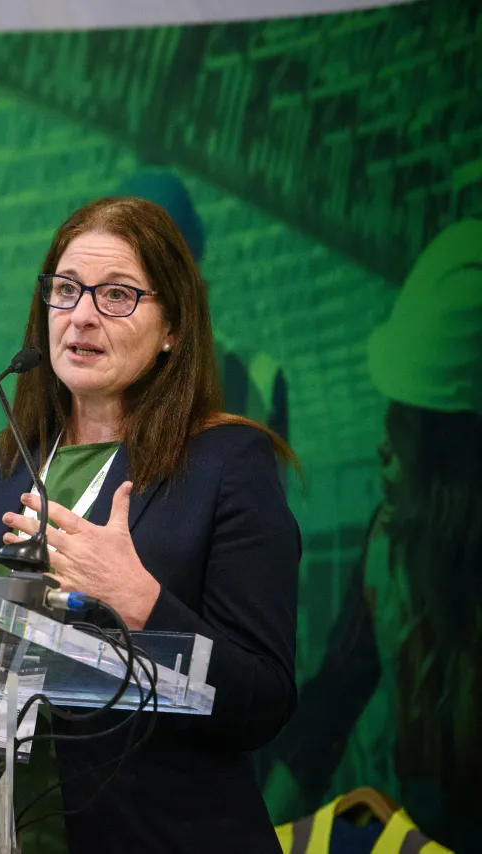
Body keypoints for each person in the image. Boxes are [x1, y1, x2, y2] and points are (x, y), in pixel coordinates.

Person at [0, 196, 301, 853]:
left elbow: (263, 702)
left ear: (172, 327)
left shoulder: (227, 463)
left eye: (118, 295)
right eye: (66, 290)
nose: (82, 316)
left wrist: (141, 601)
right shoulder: (1, 464)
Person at [259, 219, 482, 851]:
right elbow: (335, 693)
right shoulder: (389, 547)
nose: (383, 444)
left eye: (405, 425)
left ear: (454, 460)